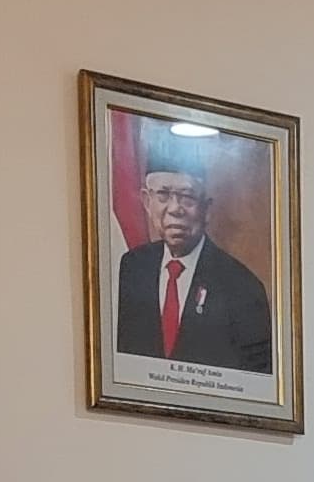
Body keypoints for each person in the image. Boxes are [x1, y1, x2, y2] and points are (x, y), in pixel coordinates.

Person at [111, 157, 275, 372]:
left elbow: (255, 383)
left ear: (206, 209)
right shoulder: (132, 267)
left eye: (187, 197)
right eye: (163, 195)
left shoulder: (243, 289)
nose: (175, 209)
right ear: (146, 201)